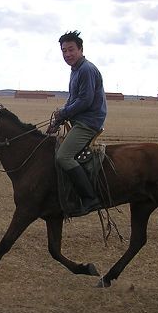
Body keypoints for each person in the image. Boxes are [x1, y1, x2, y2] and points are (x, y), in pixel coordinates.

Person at [46, 30, 107, 214]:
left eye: (71, 50)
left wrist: (64, 112)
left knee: (63, 156)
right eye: (64, 51)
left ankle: (90, 198)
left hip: (88, 122)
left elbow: (85, 101)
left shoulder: (86, 70)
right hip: (79, 120)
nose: (67, 54)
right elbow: (73, 99)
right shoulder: (76, 70)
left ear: (80, 49)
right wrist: (59, 118)